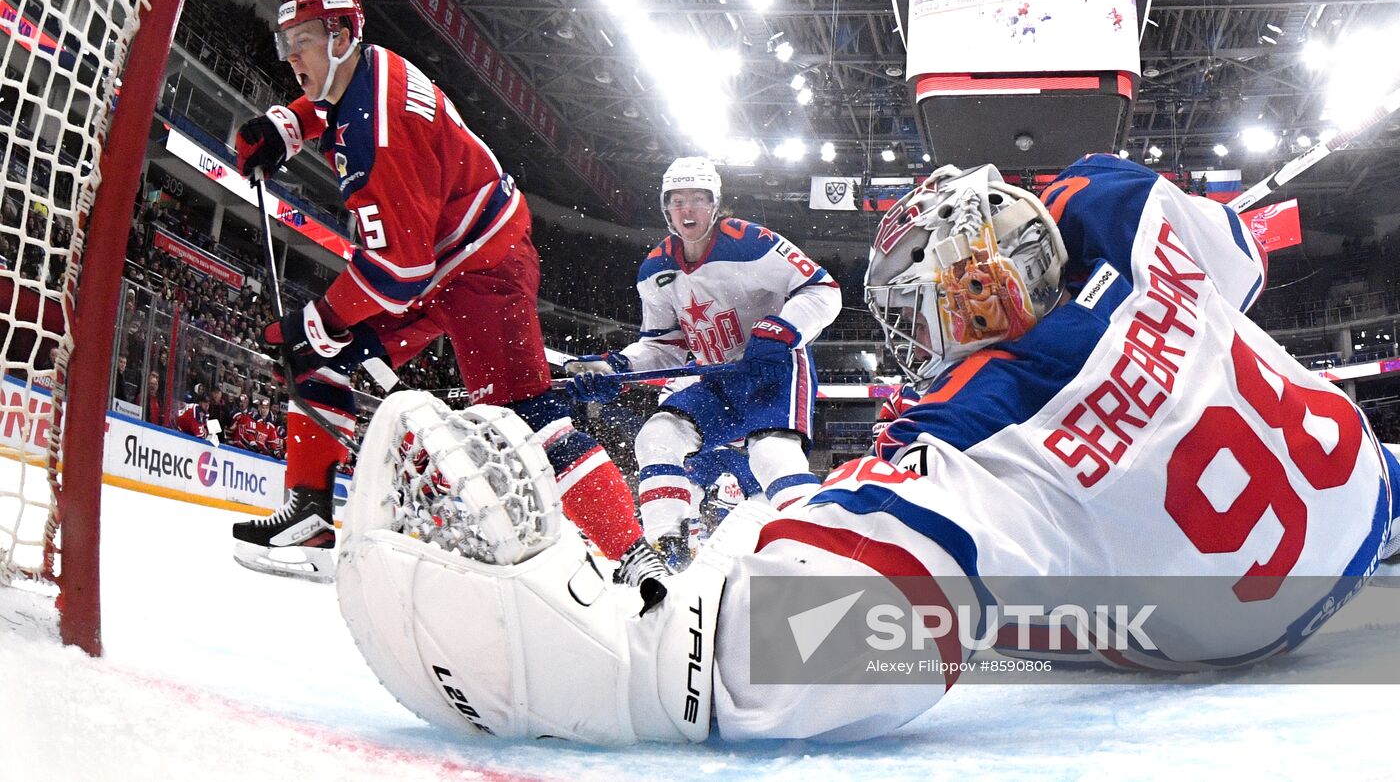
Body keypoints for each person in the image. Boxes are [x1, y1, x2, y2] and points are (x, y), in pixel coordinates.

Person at [338, 155, 1398, 744]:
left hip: (1235, 628)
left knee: (850, 544)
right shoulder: (1113, 208)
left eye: (922, 310)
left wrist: (636, 664)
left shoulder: (981, 434)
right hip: (1363, 490)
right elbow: (1232, 263)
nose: (919, 340)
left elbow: (809, 650)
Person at [228, 0, 658, 583]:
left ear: (342, 35)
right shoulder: (364, 67)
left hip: (486, 266)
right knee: (314, 357)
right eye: (285, 42)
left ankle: (634, 556)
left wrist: (319, 321)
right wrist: (287, 126)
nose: (290, 55)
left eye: (301, 40)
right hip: (440, 258)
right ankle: (311, 521)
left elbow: (397, 275)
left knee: (525, 417)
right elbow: (329, 106)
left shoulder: (380, 133)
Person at [565, 156, 842, 566]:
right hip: (716, 376)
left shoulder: (754, 242)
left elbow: (824, 290)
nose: (688, 209)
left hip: (774, 371)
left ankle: (820, 554)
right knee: (657, 435)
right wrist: (615, 369)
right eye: (678, 201)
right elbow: (664, 346)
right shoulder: (654, 269)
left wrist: (781, 330)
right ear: (666, 208)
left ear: (716, 204)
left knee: (772, 457)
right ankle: (667, 551)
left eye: (698, 199)